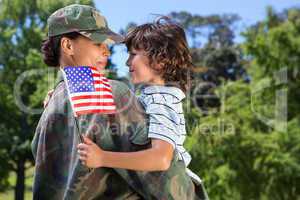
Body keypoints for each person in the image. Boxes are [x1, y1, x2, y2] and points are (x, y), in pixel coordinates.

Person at [32, 3, 208, 200]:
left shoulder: (52, 107)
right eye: (98, 43)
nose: (107, 51)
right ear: (68, 45)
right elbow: (167, 184)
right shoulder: (112, 94)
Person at [77, 18, 200, 179]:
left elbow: (161, 159)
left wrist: (102, 158)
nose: (127, 62)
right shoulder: (152, 97)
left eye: (133, 55)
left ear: (160, 61)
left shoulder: (162, 100)